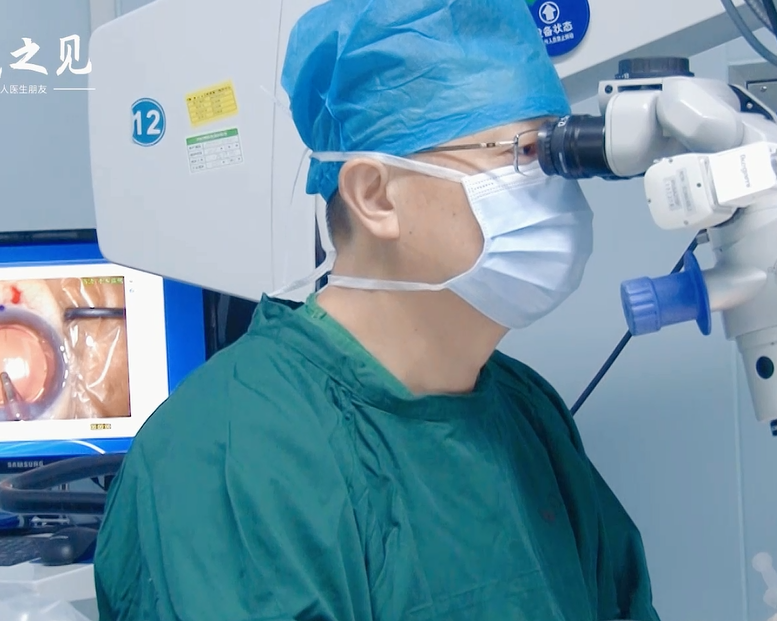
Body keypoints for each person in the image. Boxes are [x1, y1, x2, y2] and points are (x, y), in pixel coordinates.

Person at [93, 0, 661, 619]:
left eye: (558, 157)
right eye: (522, 155)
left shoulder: (529, 416)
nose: (556, 190)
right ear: (375, 195)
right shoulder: (228, 454)